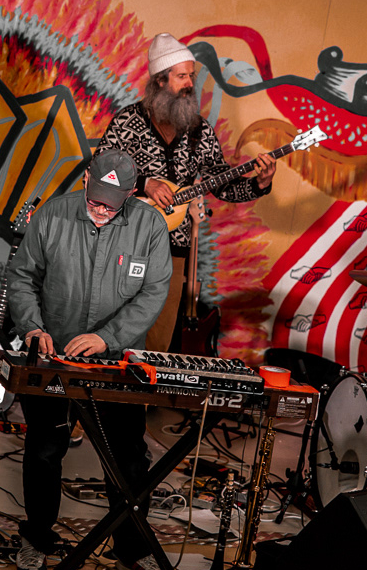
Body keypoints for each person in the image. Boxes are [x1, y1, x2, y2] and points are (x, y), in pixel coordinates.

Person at [5, 148, 173, 570]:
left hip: (115, 362)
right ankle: (36, 540)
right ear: (85, 181)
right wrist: (32, 327)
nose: (100, 210)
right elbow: (23, 277)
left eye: (111, 205)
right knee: (45, 450)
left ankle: (132, 549)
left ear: (131, 195)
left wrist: (108, 338)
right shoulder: (52, 216)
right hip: (54, 353)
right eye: (95, 200)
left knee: (128, 457)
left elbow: (153, 292)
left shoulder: (150, 227)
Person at [99, 33, 276, 352]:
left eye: (191, 76)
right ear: (160, 80)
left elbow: (222, 185)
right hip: (124, 241)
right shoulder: (128, 121)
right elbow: (101, 171)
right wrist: (144, 183)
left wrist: (259, 184)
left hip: (173, 251)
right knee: (110, 322)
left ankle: (142, 384)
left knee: (157, 337)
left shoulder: (199, 131)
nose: (190, 84)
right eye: (182, 76)